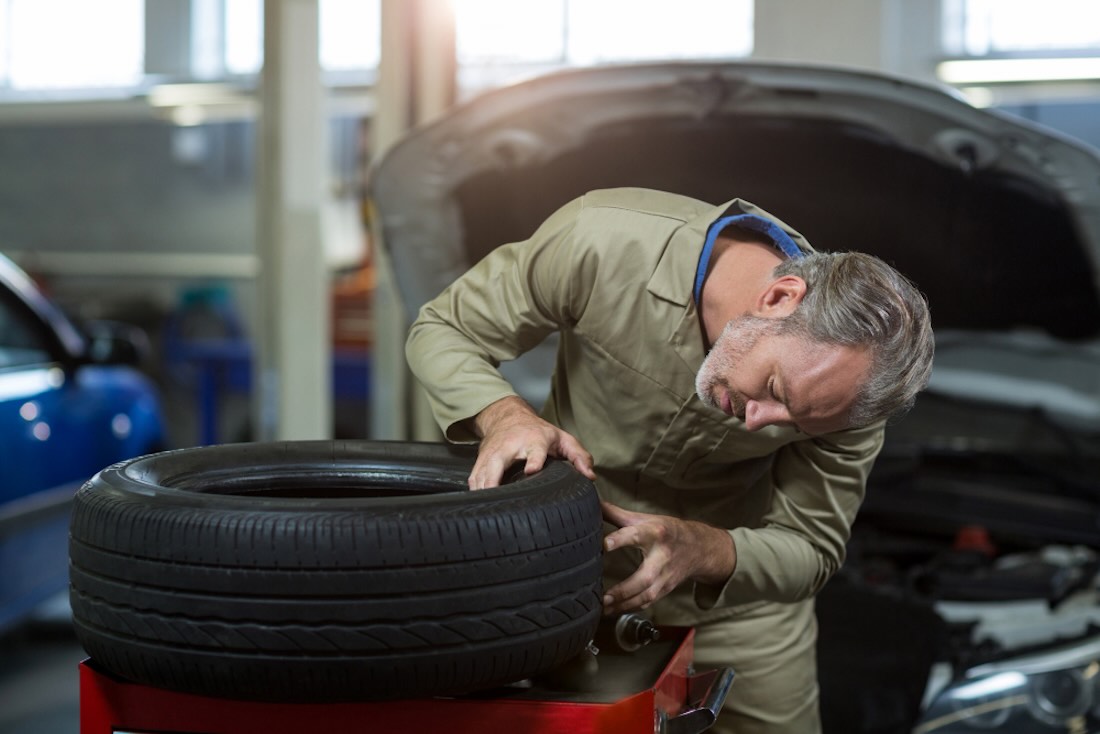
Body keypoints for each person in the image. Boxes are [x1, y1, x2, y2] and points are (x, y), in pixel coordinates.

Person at [405, 187, 934, 734]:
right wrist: (505, 416)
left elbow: (812, 547)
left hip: (734, 611)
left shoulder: (849, 399)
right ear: (779, 297)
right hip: (562, 575)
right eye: (773, 386)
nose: (759, 422)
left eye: (794, 425)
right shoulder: (604, 242)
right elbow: (445, 328)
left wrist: (705, 548)